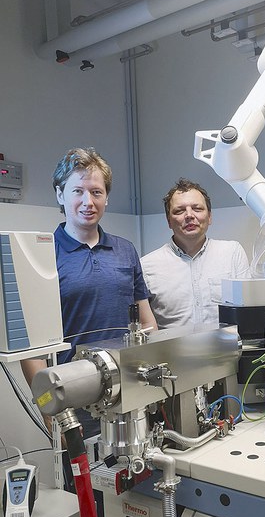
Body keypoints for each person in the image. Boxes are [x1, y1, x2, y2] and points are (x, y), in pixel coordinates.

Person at [21, 147, 157, 437]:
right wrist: (51, 409)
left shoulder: (125, 250)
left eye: (96, 192)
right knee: (79, 481)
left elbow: (148, 324)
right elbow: (31, 352)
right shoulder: (42, 254)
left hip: (128, 393)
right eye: (77, 191)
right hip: (72, 401)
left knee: (136, 479)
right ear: (60, 195)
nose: (88, 202)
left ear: (106, 197)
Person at [141, 177, 250, 328]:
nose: (189, 215)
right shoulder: (146, 266)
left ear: (210, 216)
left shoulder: (232, 253)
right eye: (179, 211)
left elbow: (249, 308)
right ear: (168, 221)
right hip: (171, 351)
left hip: (227, 349)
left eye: (197, 209)